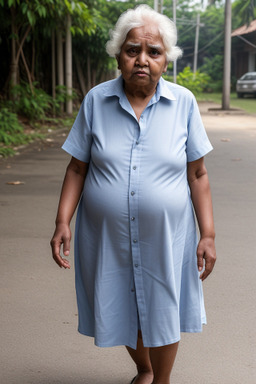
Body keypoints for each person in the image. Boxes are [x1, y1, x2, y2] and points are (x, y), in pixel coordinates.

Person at [51, 4, 216, 384]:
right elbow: (78, 167)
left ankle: (161, 380)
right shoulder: (96, 101)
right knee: (120, 305)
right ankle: (143, 368)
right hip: (108, 237)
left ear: (165, 59)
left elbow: (198, 174)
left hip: (167, 237)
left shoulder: (184, 104)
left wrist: (207, 234)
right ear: (119, 55)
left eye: (153, 52)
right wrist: (63, 220)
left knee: (163, 309)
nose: (142, 60)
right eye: (132, 50)